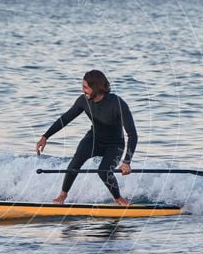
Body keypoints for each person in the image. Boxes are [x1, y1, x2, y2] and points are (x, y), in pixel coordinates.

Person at [36, 70, 137, 206]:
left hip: (114, 144)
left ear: (95, 88)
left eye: (85, 87)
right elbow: (65, 118)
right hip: (93, 139)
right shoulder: (83, 101)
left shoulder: (117, 103)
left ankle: (118, 198)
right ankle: (63, 194)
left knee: (103, 171)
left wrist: (127, 162)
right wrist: (45, 136)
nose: (83, 90)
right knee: (75, 163)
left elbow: (132, 135)